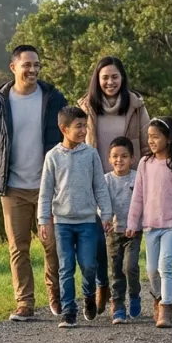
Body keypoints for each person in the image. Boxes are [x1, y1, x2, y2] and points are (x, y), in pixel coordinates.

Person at [0, 44, 69, 321]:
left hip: (48, 187)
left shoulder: (53, 98)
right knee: (18, 247)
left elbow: (71, 136)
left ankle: (57, 295)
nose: (33, 70)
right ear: (13, 67)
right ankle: (25, 303)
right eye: (27, 64)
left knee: (52, 245)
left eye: (37, 65)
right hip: (12, 187)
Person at [77, 56, 151, 315]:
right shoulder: (87, 108)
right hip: (97, 184)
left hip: (129, 186)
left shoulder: (136, 106)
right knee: (99, 242)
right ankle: (102, 287)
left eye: (115, 77)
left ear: (122, 78)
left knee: (125, 251)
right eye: (105, 77)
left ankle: (125, 295)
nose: (110, 82)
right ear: (97, 80)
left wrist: (146, 180)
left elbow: (146, 143)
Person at [37, 106, 113, 328]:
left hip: (88, 221)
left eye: (85, 126)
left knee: (89, 265)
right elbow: (46, 191)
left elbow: (100, 186)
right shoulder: (52, 157)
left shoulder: (90, 154)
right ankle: (69, 310)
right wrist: (43, 220)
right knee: (66, 265)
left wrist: (106, 214)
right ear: (64, 128)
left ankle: (89, 295)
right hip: (62, 223)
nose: (83, 130)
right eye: (79, 126)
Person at [125, 116, 172, 328]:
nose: (151, 141)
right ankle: (157, 297)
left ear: (169, 138)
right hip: (150, 226)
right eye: (149, 137)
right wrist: (132, 223)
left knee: (166, 265)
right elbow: (138, 196)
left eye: (155, 137)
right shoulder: (145, 163)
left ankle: (166, 308)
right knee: (151, 270)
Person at [102, 136, 141, 324]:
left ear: (132, 158)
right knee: (115, 270)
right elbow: (100, 203)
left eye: (124, 156)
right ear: (109, 158)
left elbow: (143, 202)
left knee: (130, 266)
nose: (119, 160)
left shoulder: (137, 178)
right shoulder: (106, 180)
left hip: (133, 232)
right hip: (113, 232)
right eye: (115, 156)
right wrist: (105, 218)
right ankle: (118, 305)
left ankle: (134, 294)